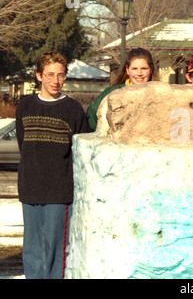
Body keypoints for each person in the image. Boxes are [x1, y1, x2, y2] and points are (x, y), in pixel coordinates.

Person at [15, 51, 89, 279]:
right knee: (32, 250)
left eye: (61, 75)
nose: (55, 81)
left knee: (55, 251)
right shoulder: (25, 106)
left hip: (59, 190)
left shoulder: (73, 109)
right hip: (30, 187)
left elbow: (81, 152)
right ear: (39, 75)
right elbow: (23, 144)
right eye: (49, 75)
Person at [86, 48, 159, 131]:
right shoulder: (111, 93)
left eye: (144, 69)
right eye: (134, 69)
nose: (139, 73)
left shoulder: (159, 94)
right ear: (127, 70)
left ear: (151, 69)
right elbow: (91, 119)